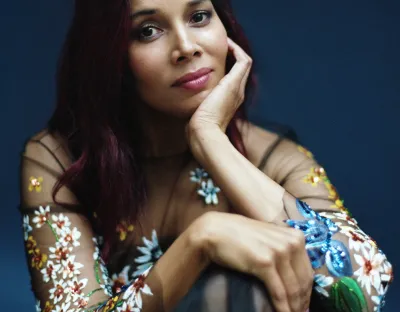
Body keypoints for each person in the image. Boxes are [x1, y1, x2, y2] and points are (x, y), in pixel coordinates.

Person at [19, 0, 393, 311]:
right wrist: (201, 240)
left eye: (199, 17)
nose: (186, 47)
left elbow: (364, 292)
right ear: (109, 54)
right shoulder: (58, 159)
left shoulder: (275, 156)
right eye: (148, 30)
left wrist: (211, 140)